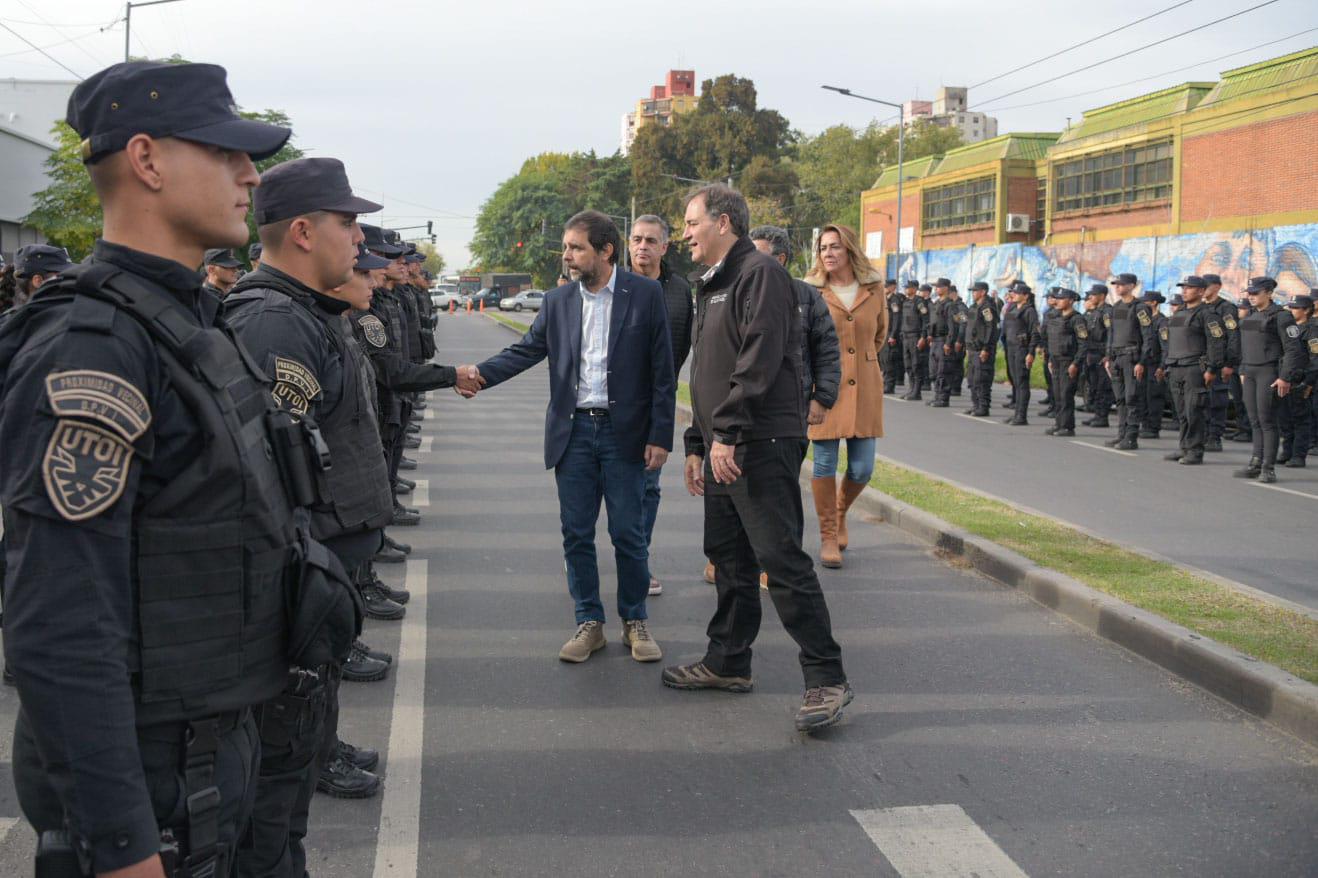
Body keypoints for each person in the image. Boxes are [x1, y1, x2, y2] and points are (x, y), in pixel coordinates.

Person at [0, 59, 355, 878]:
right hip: (154, 786)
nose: (250, 175)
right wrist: (122, 846)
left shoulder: (190, 323)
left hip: (213, 751)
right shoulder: (95, 350)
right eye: (226, 153)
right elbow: (59, 622)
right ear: (148, 160)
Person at [222, 157, 410, 862]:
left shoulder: (306, 312)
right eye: (348, 223)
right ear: (303, 232)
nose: (360, 240)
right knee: (274, 793)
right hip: (297, 575)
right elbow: (272, 480)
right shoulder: (274, 323)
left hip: (321, 568)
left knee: (299, 742)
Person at [667, 183, 851, 733]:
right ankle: (728, 661)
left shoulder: (760, 274)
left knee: (781, 560)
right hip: (724, 442)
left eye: (692, 222)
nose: (685, 234)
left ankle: (827, 677)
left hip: (759, 442)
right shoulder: (713, 283)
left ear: (723, 222)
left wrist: (726, 433)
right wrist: (698, 442)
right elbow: (708, 372)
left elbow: (759, 358)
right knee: (729, 558)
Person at [468, 210, 675, 664]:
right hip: (574, 432)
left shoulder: (645, 294)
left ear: (605, 250)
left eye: (576, 247)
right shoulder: (558, 301)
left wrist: (661, 435)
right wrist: (477, 375)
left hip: (625, 434)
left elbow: (663, 371)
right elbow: (526, 350)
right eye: (565, 247)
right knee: (576, 534)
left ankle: (635, 620)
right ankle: (589, 622)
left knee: (629, 533)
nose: (566, 255)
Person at [801, 223, 883, 569]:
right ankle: (828, 535)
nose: (828, 253)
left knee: (862, 468)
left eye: (834, 246)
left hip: (865, 386)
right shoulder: (811, 290)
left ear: (849, 249)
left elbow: (879, 335)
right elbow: (804, 341)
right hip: (825, 387)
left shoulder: (874, 288)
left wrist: (861, 362)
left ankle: (840, 510)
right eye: (823, 248)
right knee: (824, 463)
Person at [631, 214, 693, 596]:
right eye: (637, 239)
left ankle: (638, 563)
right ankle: (581, 551)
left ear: (665, 247)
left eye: (651, 240)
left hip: (655, 405)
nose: (642, 246)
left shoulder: (680, 290)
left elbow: (681, 346)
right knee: (599, 485)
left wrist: (663, 386)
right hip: (612, 404)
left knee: (648, 487)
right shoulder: (611, 283)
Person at [1233, 277, 1304, 482]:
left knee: (1267, 421)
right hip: (1250, 372)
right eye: (1249, 293)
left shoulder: (1281, 316)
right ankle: (1256, 462)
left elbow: (1293, 350)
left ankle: (1268, 467)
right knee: (1254, 420)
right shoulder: (1251, 316)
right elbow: (1243, 347)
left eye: (1255, 293)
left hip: (1269, 372)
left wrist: (1285, 377)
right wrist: (1242, 370)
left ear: (1269, 293)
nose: (1251, 296)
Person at [1162, 277, 1227, 466]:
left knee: (1194, 411)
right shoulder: (1179, 313)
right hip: (1176, 366)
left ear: (1200, 291)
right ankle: (1184, 447)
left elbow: (1216, 343)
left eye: (1189, 288)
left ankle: (1195, 450)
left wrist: (1212, 368)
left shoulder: (1208, 314)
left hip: (1194, 368)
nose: (1184, 291)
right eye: (1183, 288)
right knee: (1182, 412)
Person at [1104, 272, 1155, 450]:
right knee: (1120, 399)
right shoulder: (1116, 307)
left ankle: (1131, 437)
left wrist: (1142, 362)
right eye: (1116, 284)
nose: (1117, 287)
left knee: (1132, 398)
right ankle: (1121, 434)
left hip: (1132, 358)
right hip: (1117, 358)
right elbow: (1111, 334)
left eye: (1121, 284)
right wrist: (1109, 357)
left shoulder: (1140, 308)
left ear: (1132, 286)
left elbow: (1148, 337)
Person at [1201, 273, 1239, 451]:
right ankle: (1202, 435)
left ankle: (1214, 437)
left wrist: (1229, 364)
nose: (1203, 290)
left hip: (1219, 362)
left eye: (1206, 286)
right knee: (1201, 401)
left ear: (1217, 287)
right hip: (1202, 362)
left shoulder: (1226, 308)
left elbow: (1233, 337)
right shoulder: (1201, 308)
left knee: (1216, 401)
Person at [1278, 293, 1317, 468]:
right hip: (1286, 378)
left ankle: (1298, 455)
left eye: (1295, 308)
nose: (1291, 310)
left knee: (1300, 419)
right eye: (1290, 307)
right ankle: (1287, 451)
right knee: (1285, 418)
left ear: (1306, 310)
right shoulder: (1290, 329)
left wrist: (1308, 382)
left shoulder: (1312, 330)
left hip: (1301, 380)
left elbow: (1315, 359)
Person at [1043, 288, 1085, 436]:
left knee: (1066, 394)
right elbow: (1051, 340)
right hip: (1056, 360)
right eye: (1057, 298)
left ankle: (1067, 427)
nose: (1058, 301)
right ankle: (1059, 424)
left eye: (1062, 299)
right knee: (1058, 394)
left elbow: (1083, 343)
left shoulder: (1077, 319)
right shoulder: (1056, 317)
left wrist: (1076, 363)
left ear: (1071, 301)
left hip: (1068, 361)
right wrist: (1050, 359)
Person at [1002, 282, 1039, 425]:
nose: (1014, 295)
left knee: (1022, 382)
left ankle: (1022, 416)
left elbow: (1034, 333)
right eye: (1014, 293)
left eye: (1017, 293)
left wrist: (1031, 352)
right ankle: (1016, 413)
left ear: (1025, 296)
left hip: (1022, 349)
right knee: (1016, 382)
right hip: (1011, 348)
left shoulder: (1029, 311)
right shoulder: (1012, 308)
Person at [962, 281, 999, 416]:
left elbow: (991, 328)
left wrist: (986, 348)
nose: (973, 293)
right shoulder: (973, 307)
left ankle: (983, 407)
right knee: (972, 379)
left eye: (975, 291)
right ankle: (976, 405)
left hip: (982, 349)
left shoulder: (987, 308)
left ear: (983, 292)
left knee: (982, 379)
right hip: (972, 349)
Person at [1080, 285, 1112, 428]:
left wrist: (1108, 354)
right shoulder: (1095, 312)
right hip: (1092, 352)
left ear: (1102, 296)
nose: (1090, 297)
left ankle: (1102, 417)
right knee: (1094, 385)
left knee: (1103, 386)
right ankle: (1097, 414)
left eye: (1094, 294)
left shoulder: (1107, 312)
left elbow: (1110, 333)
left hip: (1101, 353)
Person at [927, 277, 960, 408]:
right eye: (936, 287)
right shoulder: (936, 304)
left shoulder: (950, 305)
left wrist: (949, 343)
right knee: (934, 370)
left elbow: (953, 326)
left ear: (946, 288)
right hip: (935, 340)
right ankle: (937, 396)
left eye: (939, 287)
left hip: (943, 340)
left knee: (943, 370)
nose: (936, 289)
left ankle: (943, 398)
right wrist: (930, 335)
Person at [1140, 290, 1168, 438]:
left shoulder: (1162, 321)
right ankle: (1145, 425)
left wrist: (1162, 366)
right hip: (1145, 364)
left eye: (1146, 302)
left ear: (1154, 303)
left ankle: (1153, 427)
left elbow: (1166, 347)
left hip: (1155, 364)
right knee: (1143, 396)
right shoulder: (1146, 321)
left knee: (1154, 397)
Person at [899, 280, 929, 400]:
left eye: (909, 287)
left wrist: (923, 337)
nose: (906, 289)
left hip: (915, 336)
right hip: (906, 336)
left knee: (916, 364)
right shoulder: (906, 302)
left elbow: (925, 321)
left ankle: (917, 392)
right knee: (908, 365)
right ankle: (911, 389)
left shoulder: (920, 302)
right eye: (906, 287)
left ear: (915, 289)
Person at [879, 278, 903, 393]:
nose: (885, 288)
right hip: (884, 332)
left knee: (889, 359)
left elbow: (897, 319)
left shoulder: (894, 300)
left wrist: (893, 335)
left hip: (890, 333)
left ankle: (889, 385)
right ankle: (884, 382)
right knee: (883, 359)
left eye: (888, 286)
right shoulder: (885, 299)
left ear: (893, 287)